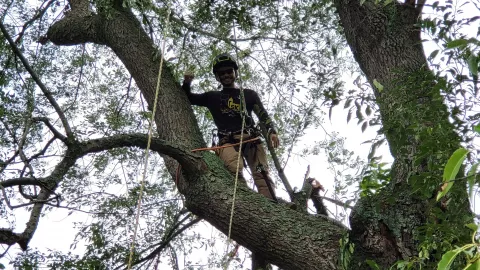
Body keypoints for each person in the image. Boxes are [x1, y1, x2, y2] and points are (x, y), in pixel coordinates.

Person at [182, 53, 280, 200]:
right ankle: (246, 202)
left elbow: (263, 114)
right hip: (228, 140)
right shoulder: (212, 97)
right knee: (233, 170)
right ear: (217, 77)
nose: (226, 75)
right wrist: (187, 83)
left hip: (251, 139)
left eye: (229, 71)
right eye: (222, 73)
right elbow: (188, 98)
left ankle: (271, 204)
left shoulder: (249, 95)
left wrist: (272, 131)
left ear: (235, 73)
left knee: (262, 173)